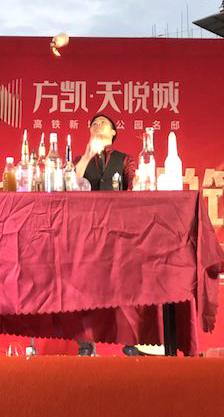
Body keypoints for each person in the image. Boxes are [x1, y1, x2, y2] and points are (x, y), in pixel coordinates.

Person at [74, 113, 139, 357]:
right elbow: (68, 185)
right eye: (94, 123)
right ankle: (85, 345)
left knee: (125, 288)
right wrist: (87, 158)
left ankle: (130, 343)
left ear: (113, 132)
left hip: (117, 232)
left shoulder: (124, 159)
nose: (98, 125)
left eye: (104, 123)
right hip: (85, 231)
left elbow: (135, 185)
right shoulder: (79, 160)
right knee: (83, 289)